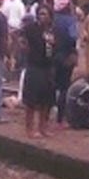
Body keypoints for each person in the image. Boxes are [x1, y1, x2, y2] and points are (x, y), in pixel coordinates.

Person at [21, 10, 56, 138]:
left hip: (48, 67)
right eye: (40, 14)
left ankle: (43, 127)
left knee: (46, 100)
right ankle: (29, 128)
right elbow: (21, 39)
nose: (43, 17)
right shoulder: (31, 29)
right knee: (31, 100)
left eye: (45, 14)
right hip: (34, 66)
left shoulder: (53, 30)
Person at [52, 0, 78, 126]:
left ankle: (45, 115)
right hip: (66, 55)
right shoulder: (70, 20)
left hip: (52, 55)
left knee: (51, 85)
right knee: (64, 87)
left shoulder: (53, 19)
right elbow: (73, 37)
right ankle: (60, 118)